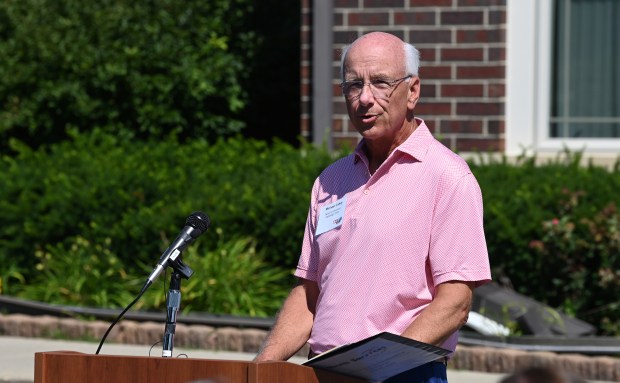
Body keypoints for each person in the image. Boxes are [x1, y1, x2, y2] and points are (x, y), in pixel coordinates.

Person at [254, 32, 492, 382]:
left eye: (380, 83)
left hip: (405, 374)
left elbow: (455, 303)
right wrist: (259, 369)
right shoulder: (330, 181)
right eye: (353, 85)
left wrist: (379, 366)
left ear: (412, 92)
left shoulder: (448, 176)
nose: (364, 98)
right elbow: (309, 292)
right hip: (322, 373)